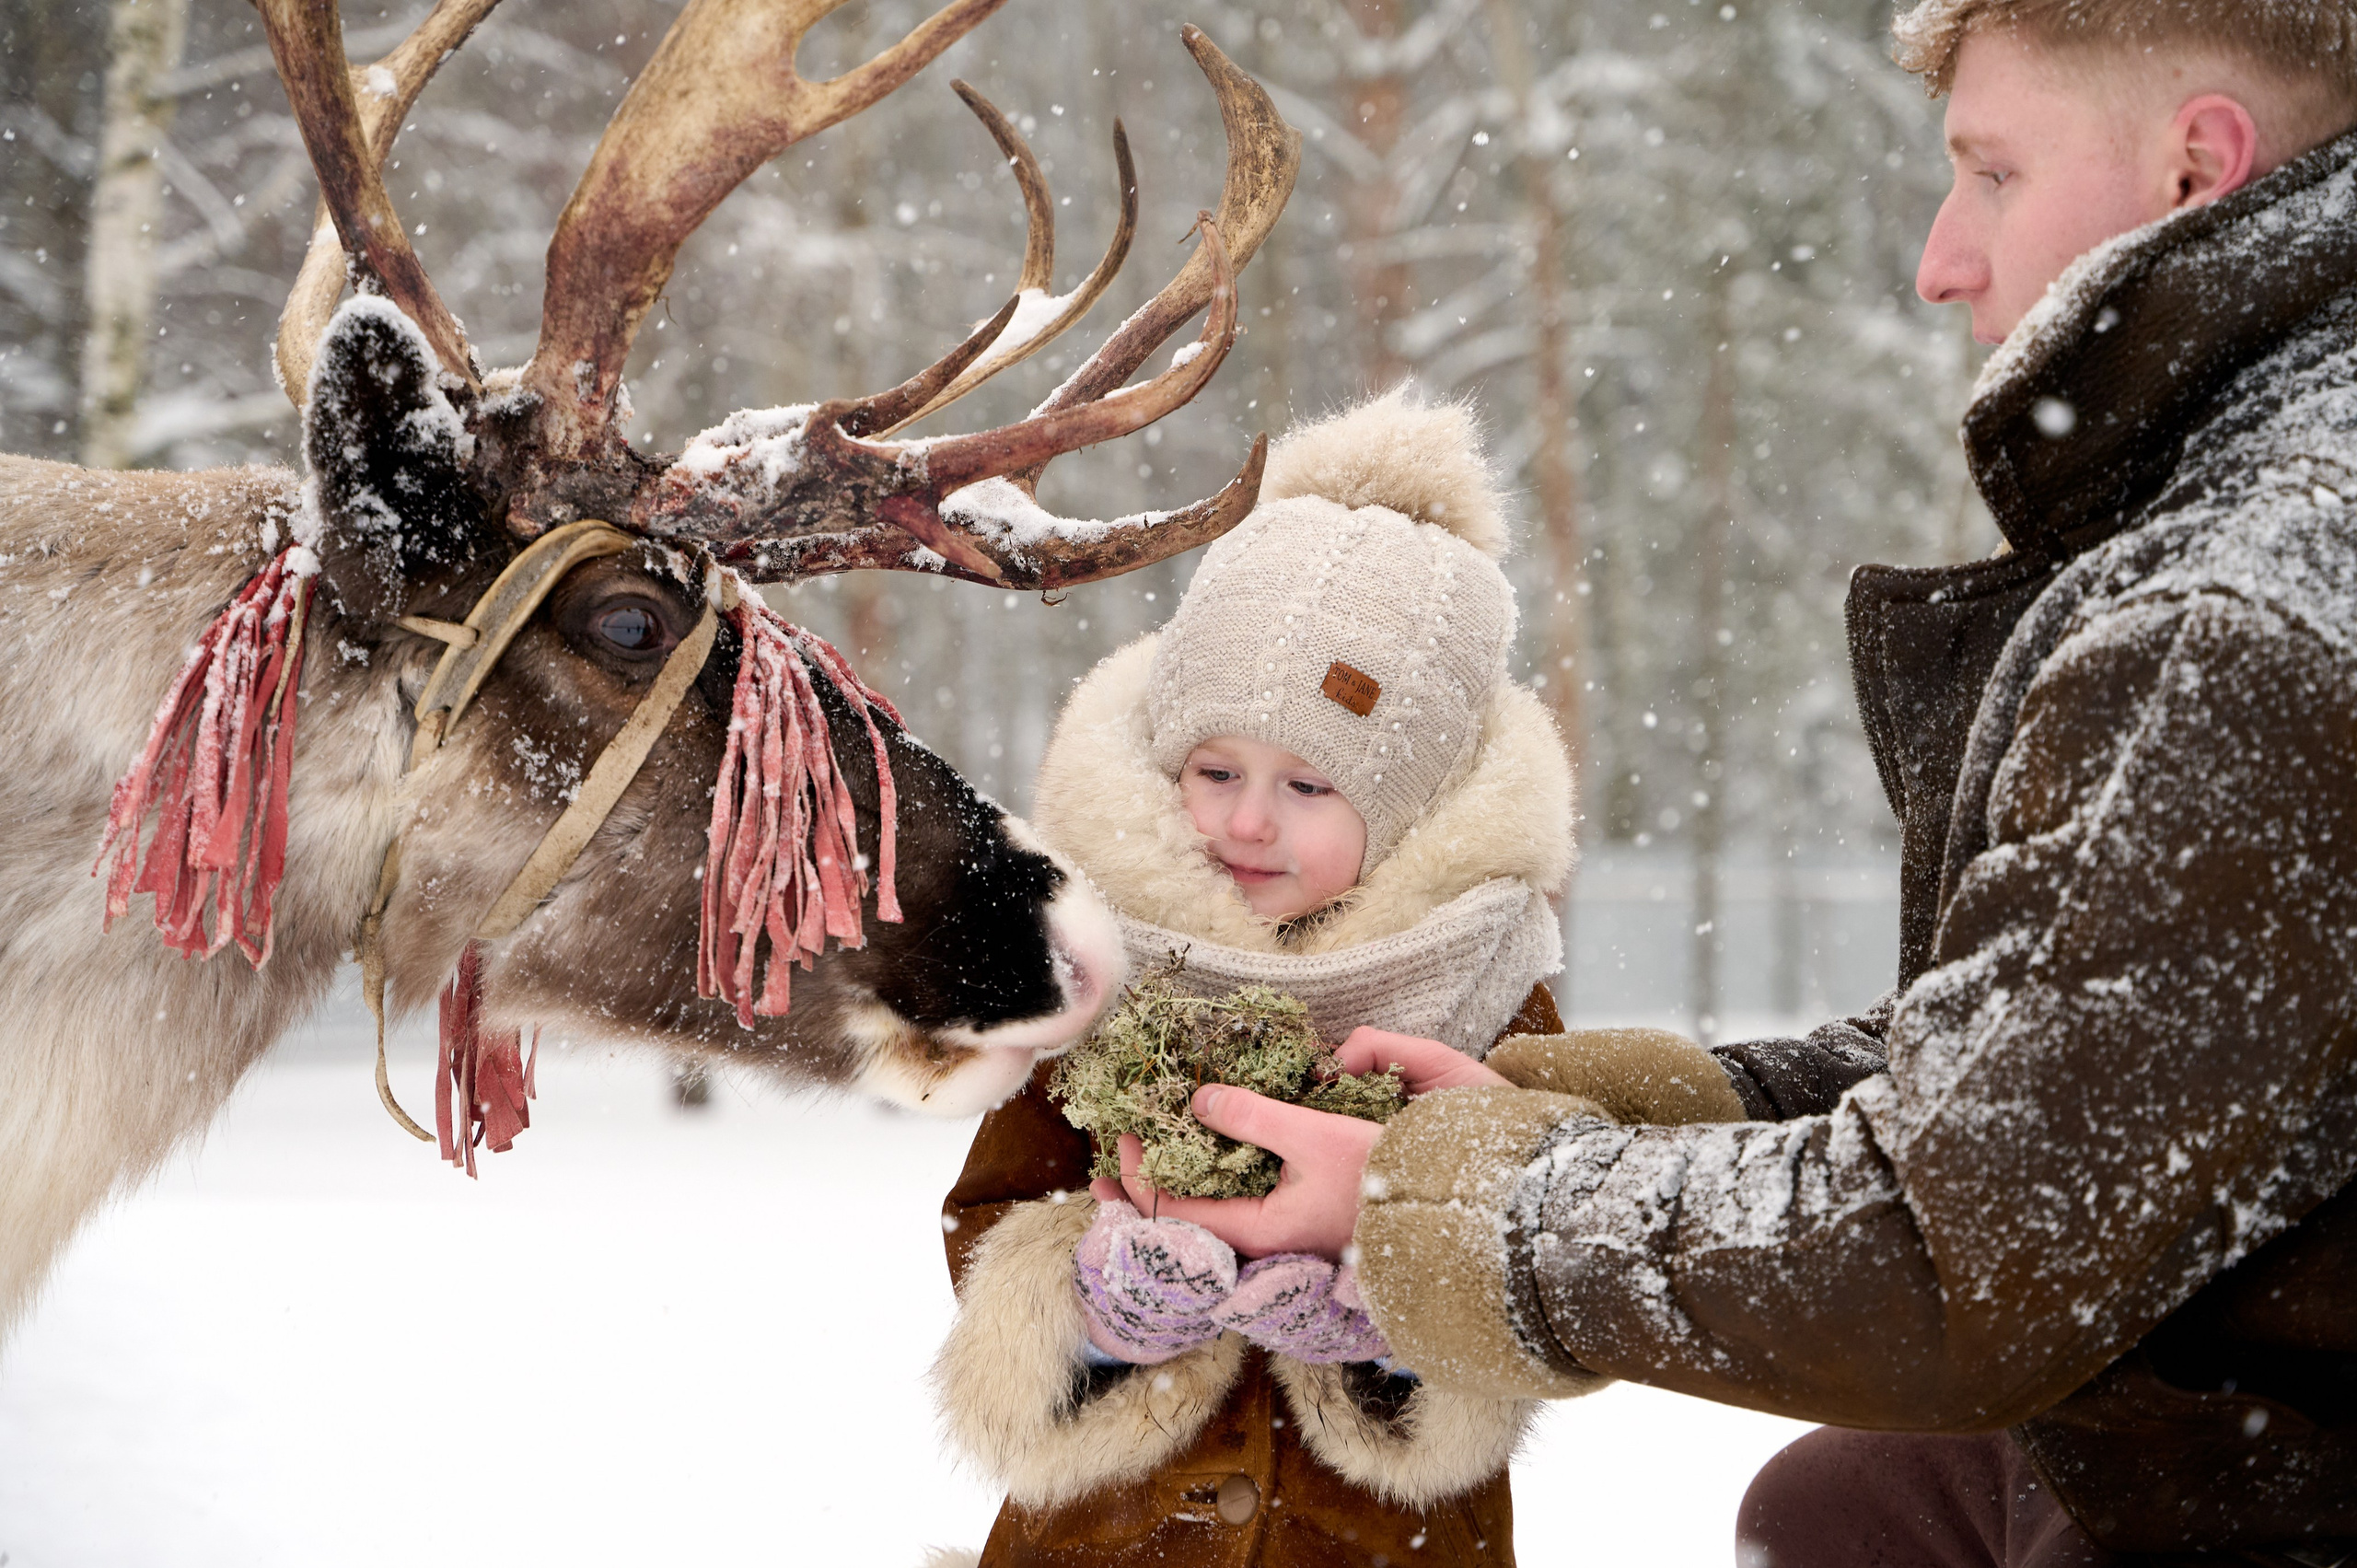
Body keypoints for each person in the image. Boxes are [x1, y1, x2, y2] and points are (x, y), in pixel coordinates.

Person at [1100, 4, 2357, 1564]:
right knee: (1846, 1509)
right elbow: (2078, 1051)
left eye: (1992, 173)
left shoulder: (2236, 611)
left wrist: (1434, 1199)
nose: (1941, 259)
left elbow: (1961, 1253)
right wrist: (1610, 1108)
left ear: (2199, 167)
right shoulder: (2288, 510)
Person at [929, 390, 1744, 1567]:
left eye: (1310, 786)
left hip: (1380, 1541)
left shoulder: (1489, 984)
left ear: (1404, 803)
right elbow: (994, 1205)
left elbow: (1542, 1252)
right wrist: (1095, 1300)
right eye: (1215, 768)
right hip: (1111, 1537)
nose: (1246, 820)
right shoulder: (1098, 960)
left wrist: (1396, 1313)